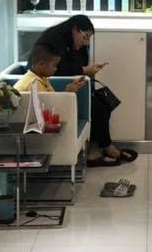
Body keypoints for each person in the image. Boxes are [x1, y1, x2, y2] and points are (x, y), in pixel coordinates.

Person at [37, 15, 137, 167]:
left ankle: (98, 148)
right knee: (98, 109)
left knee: (104, 104)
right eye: (84, 37)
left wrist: (86, 70)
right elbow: (57, 70)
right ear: (75, 29)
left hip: (74, 88)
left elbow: (77, 66)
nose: (85, 42)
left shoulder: (71, 43)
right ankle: (103, 149)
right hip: (57, 89)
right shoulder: (54, 41)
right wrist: (84, 70)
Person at [15, 41, 86, 94]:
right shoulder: (34, 83)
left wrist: (68, 89)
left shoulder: (42, 78)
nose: (56, 69)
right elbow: (47, 107)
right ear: (41, 64)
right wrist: (68, 93)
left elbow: (52, 99)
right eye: (54, 65)